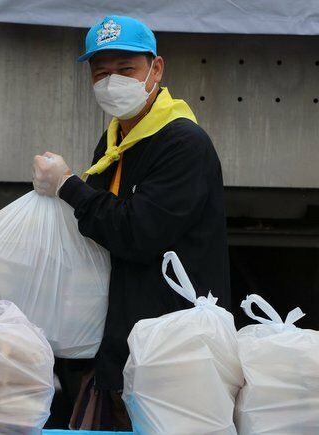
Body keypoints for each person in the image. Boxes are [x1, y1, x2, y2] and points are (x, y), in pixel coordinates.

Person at [32, 16, 230, 430]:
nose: (111, 82)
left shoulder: (182, 143)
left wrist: (69, 186)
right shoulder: (115, 142)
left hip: (172, 353)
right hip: (124, 346)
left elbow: (138, 234)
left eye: (126, 70)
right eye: (101, 73)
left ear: (155, 70)